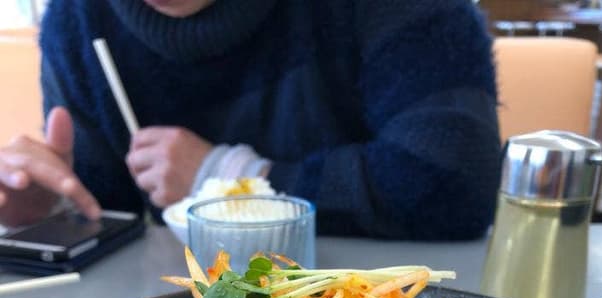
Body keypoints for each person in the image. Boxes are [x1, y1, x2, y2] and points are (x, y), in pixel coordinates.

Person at [0, 0, 502, 240]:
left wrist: (225, 178)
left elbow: (454, 181)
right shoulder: (76, 21)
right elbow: (107, 211)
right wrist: (50, 209)